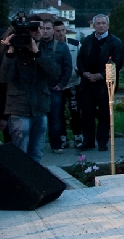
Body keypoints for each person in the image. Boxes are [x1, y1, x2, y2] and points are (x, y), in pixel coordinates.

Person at [0, 18, 61, 162]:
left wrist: (37, 53)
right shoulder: (12, 51)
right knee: (20, 154)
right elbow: (4, 78)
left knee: (36, 153)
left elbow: (55, 72)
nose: (40, 32)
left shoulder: (45, 49)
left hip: (40, 107)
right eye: (35, 29)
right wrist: (11, 52)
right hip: (19, 109)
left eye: (41, 28)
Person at [76, 14, 124, 151]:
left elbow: (117, 63)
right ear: (94, 25)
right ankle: (88, 140)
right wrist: (84, 72)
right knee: (86, 113)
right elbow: (80, 59)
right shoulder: (87, 40)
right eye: (98, 23)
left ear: (108, 25)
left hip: (105, 84)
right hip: (87, 83)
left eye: (103, 23)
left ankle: (102, 141)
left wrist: (101, 76)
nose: (101, 25)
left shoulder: (115, 42)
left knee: (104, 113)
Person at [38, 19, 72, 152]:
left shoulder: (62, 47)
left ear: (53, 30)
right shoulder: (34, 45)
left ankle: (56, 144)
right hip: (38, 88)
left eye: (48, 28)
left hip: (54, 88)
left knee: (55, 117)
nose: (45, 31)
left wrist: (62, 84)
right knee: (39, 119)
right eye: (43, 28)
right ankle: (39, 144)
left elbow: (68, 67)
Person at [53, 20, 82, 149]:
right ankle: (62, 137)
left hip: (73, 83)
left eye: (63, 30)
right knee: (58, 112)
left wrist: (78, 71)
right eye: (57, 31)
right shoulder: (51, 46)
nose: (60, 33)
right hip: (58, 85)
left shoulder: (75, 44)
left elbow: (81, 60)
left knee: (74, 110)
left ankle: (78, 135)